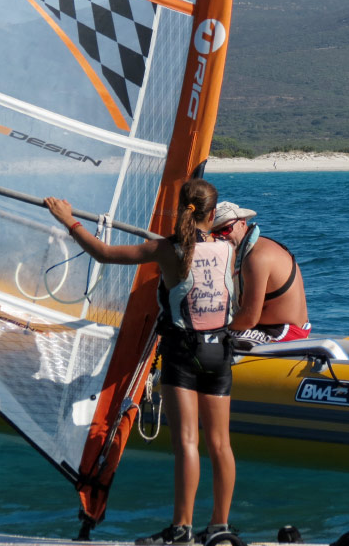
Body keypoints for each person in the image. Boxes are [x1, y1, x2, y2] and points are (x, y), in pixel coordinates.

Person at [44, 179, 235, 546]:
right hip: (220, 351)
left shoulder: (168, 249)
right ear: (213, 214)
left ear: (183, 210)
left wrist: (69, 220)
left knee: (187, 442)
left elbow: (103, 253)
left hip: (184, 351)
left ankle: (182, 529)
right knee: (221, 444)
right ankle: (220, 528)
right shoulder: (228, 247)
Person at [211, 202, 311, 349]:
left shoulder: (256, 258)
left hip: (285, 333)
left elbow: (249, 319)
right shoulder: (247, 250)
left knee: (207, 342)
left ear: (242, 223)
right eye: (215, 233)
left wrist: (213, 327)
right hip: (276, 328)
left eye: (226, 230)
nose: (221, 237)